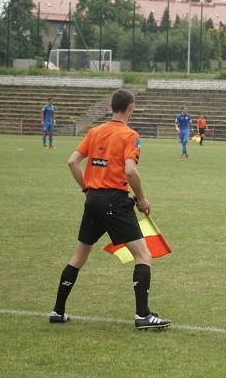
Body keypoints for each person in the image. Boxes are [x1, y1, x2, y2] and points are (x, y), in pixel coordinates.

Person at [49, 89, 171, 330]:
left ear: (111, 106)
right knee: (143, 256)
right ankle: (142, 316)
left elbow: (72, 161)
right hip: (115, 201)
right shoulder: (129, 135)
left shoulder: (95, 131)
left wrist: (86, 190)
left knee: (78, 257)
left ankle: (57, 311)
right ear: (131, 107)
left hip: (92, 200)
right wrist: (143, 199)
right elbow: (129, 170)